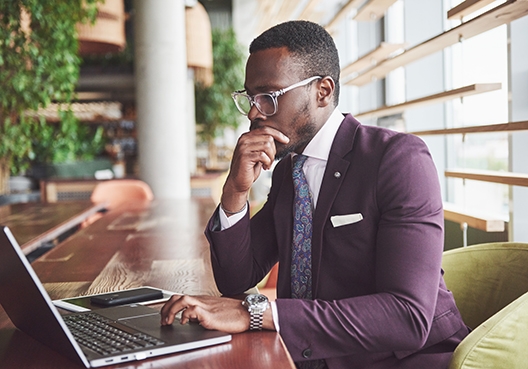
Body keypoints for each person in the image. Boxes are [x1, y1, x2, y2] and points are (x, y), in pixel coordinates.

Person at [161, 20, 469, 369]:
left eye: (269, 97)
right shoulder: (289, 173)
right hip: (310, 356)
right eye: (249, 97)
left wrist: (259, 312)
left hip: (406, 360)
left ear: (322, 91)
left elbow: (407, 317)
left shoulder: (398, 160)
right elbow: (236, 278)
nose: (253, 112)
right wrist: (235, 190)